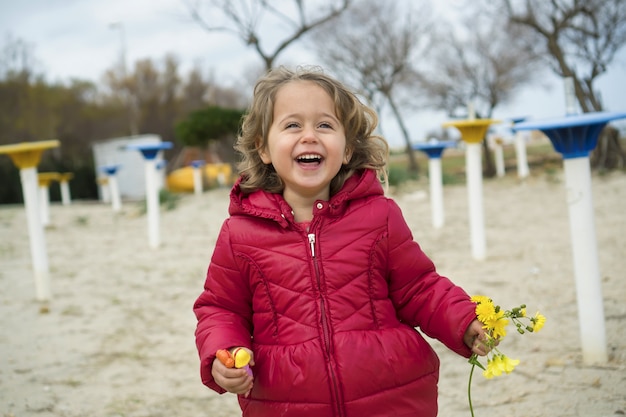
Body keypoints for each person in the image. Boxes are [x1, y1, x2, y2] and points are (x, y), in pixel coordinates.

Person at [194, 66, 490, 417]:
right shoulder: (240, 234)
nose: (309, 136)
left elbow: (418, 287)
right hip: (286, 403)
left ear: (347, 149)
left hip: (390, 395)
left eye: (325, 125)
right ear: (263, 149)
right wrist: (223, 353)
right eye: (292, 125)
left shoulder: (379, 216)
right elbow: (221, 309)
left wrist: (463, 320)